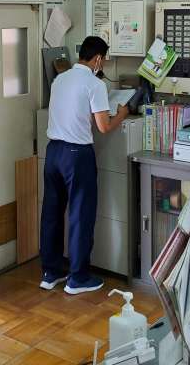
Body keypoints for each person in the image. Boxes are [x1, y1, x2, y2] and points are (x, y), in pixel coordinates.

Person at [40, 36, 129, 295]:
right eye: (104, 60)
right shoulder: (94, 84)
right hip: (77, 156)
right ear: (98, 59)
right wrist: (122, 114)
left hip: (53, 152)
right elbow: (103, 127)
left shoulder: (60, 79)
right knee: (80, 215)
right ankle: (77, 278)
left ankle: (51, 272)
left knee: (52, 213)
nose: (104, 64)